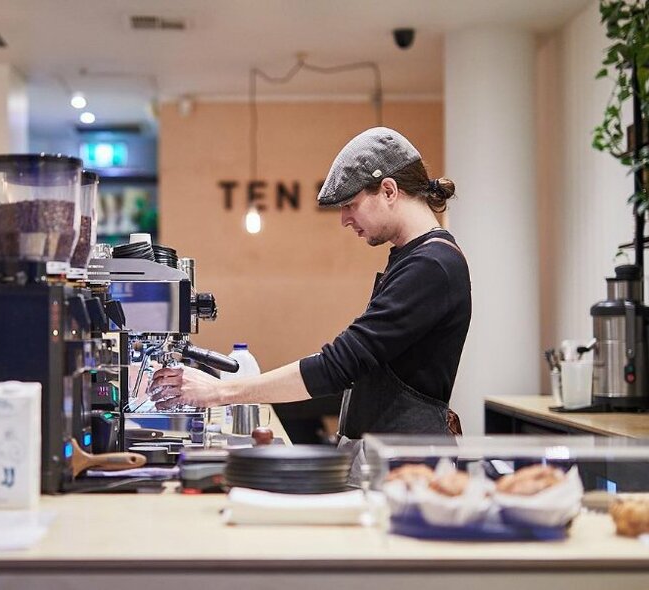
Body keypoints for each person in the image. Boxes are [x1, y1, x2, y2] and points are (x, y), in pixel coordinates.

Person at [150, 126, 471, 451]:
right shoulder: (412, 258)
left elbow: (338, 365)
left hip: (405, 466)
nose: (344, 219)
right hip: (387, 456)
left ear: (388, 190)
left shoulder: (431, 264)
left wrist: (220, 392)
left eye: (351, 204)